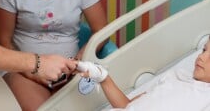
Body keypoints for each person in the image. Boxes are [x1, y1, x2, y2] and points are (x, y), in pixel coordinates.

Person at [77, 39, 210, 111]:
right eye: (204, 49)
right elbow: (127, 106)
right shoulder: (176, 77)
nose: (201, 57)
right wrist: (103, 77)